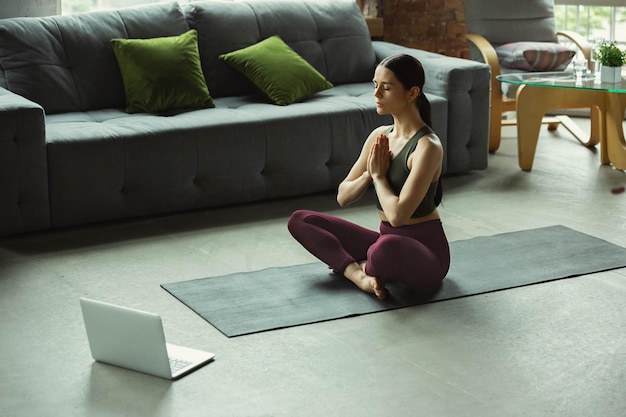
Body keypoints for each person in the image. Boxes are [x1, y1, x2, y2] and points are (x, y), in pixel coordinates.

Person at [287, 54, 450, 300]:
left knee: (384, 249)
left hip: (426, 255)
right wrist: (367, 176)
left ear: (412, 92)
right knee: (301, 220)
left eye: (386, 88)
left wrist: (379, 177)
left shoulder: (428, 146)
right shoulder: (379, 136)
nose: (376, 94)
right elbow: (343, 196)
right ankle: (359, 275)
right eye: (375, 86)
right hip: (387, 241)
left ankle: (369, 264)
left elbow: (397, 216)